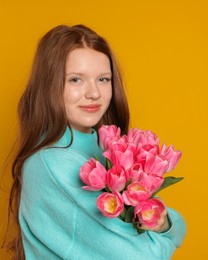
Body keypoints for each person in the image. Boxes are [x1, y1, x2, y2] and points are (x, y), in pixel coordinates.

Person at [5, 24, 186, 260]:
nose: (93, 93)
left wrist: (164, 225)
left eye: (103, 79)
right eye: (75, 80)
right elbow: (143, 256)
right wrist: (162, 231)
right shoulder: (51, 161)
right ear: (49, 85)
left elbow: (177, 226)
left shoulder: (107, 148)